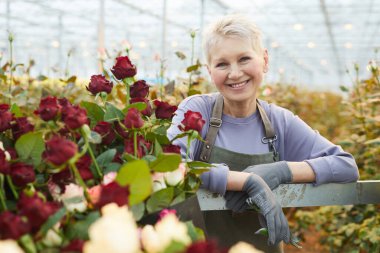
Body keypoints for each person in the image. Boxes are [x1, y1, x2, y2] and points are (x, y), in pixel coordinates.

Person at [167, 14, 359, 252]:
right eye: (222, 64)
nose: (235, 73)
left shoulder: (280, 122)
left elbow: (345, 165)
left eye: (244, 59)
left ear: (265, 60)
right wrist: (246, 180)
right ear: (209, 71)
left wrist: (280, 171)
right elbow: (171, 165)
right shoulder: (197, 111)